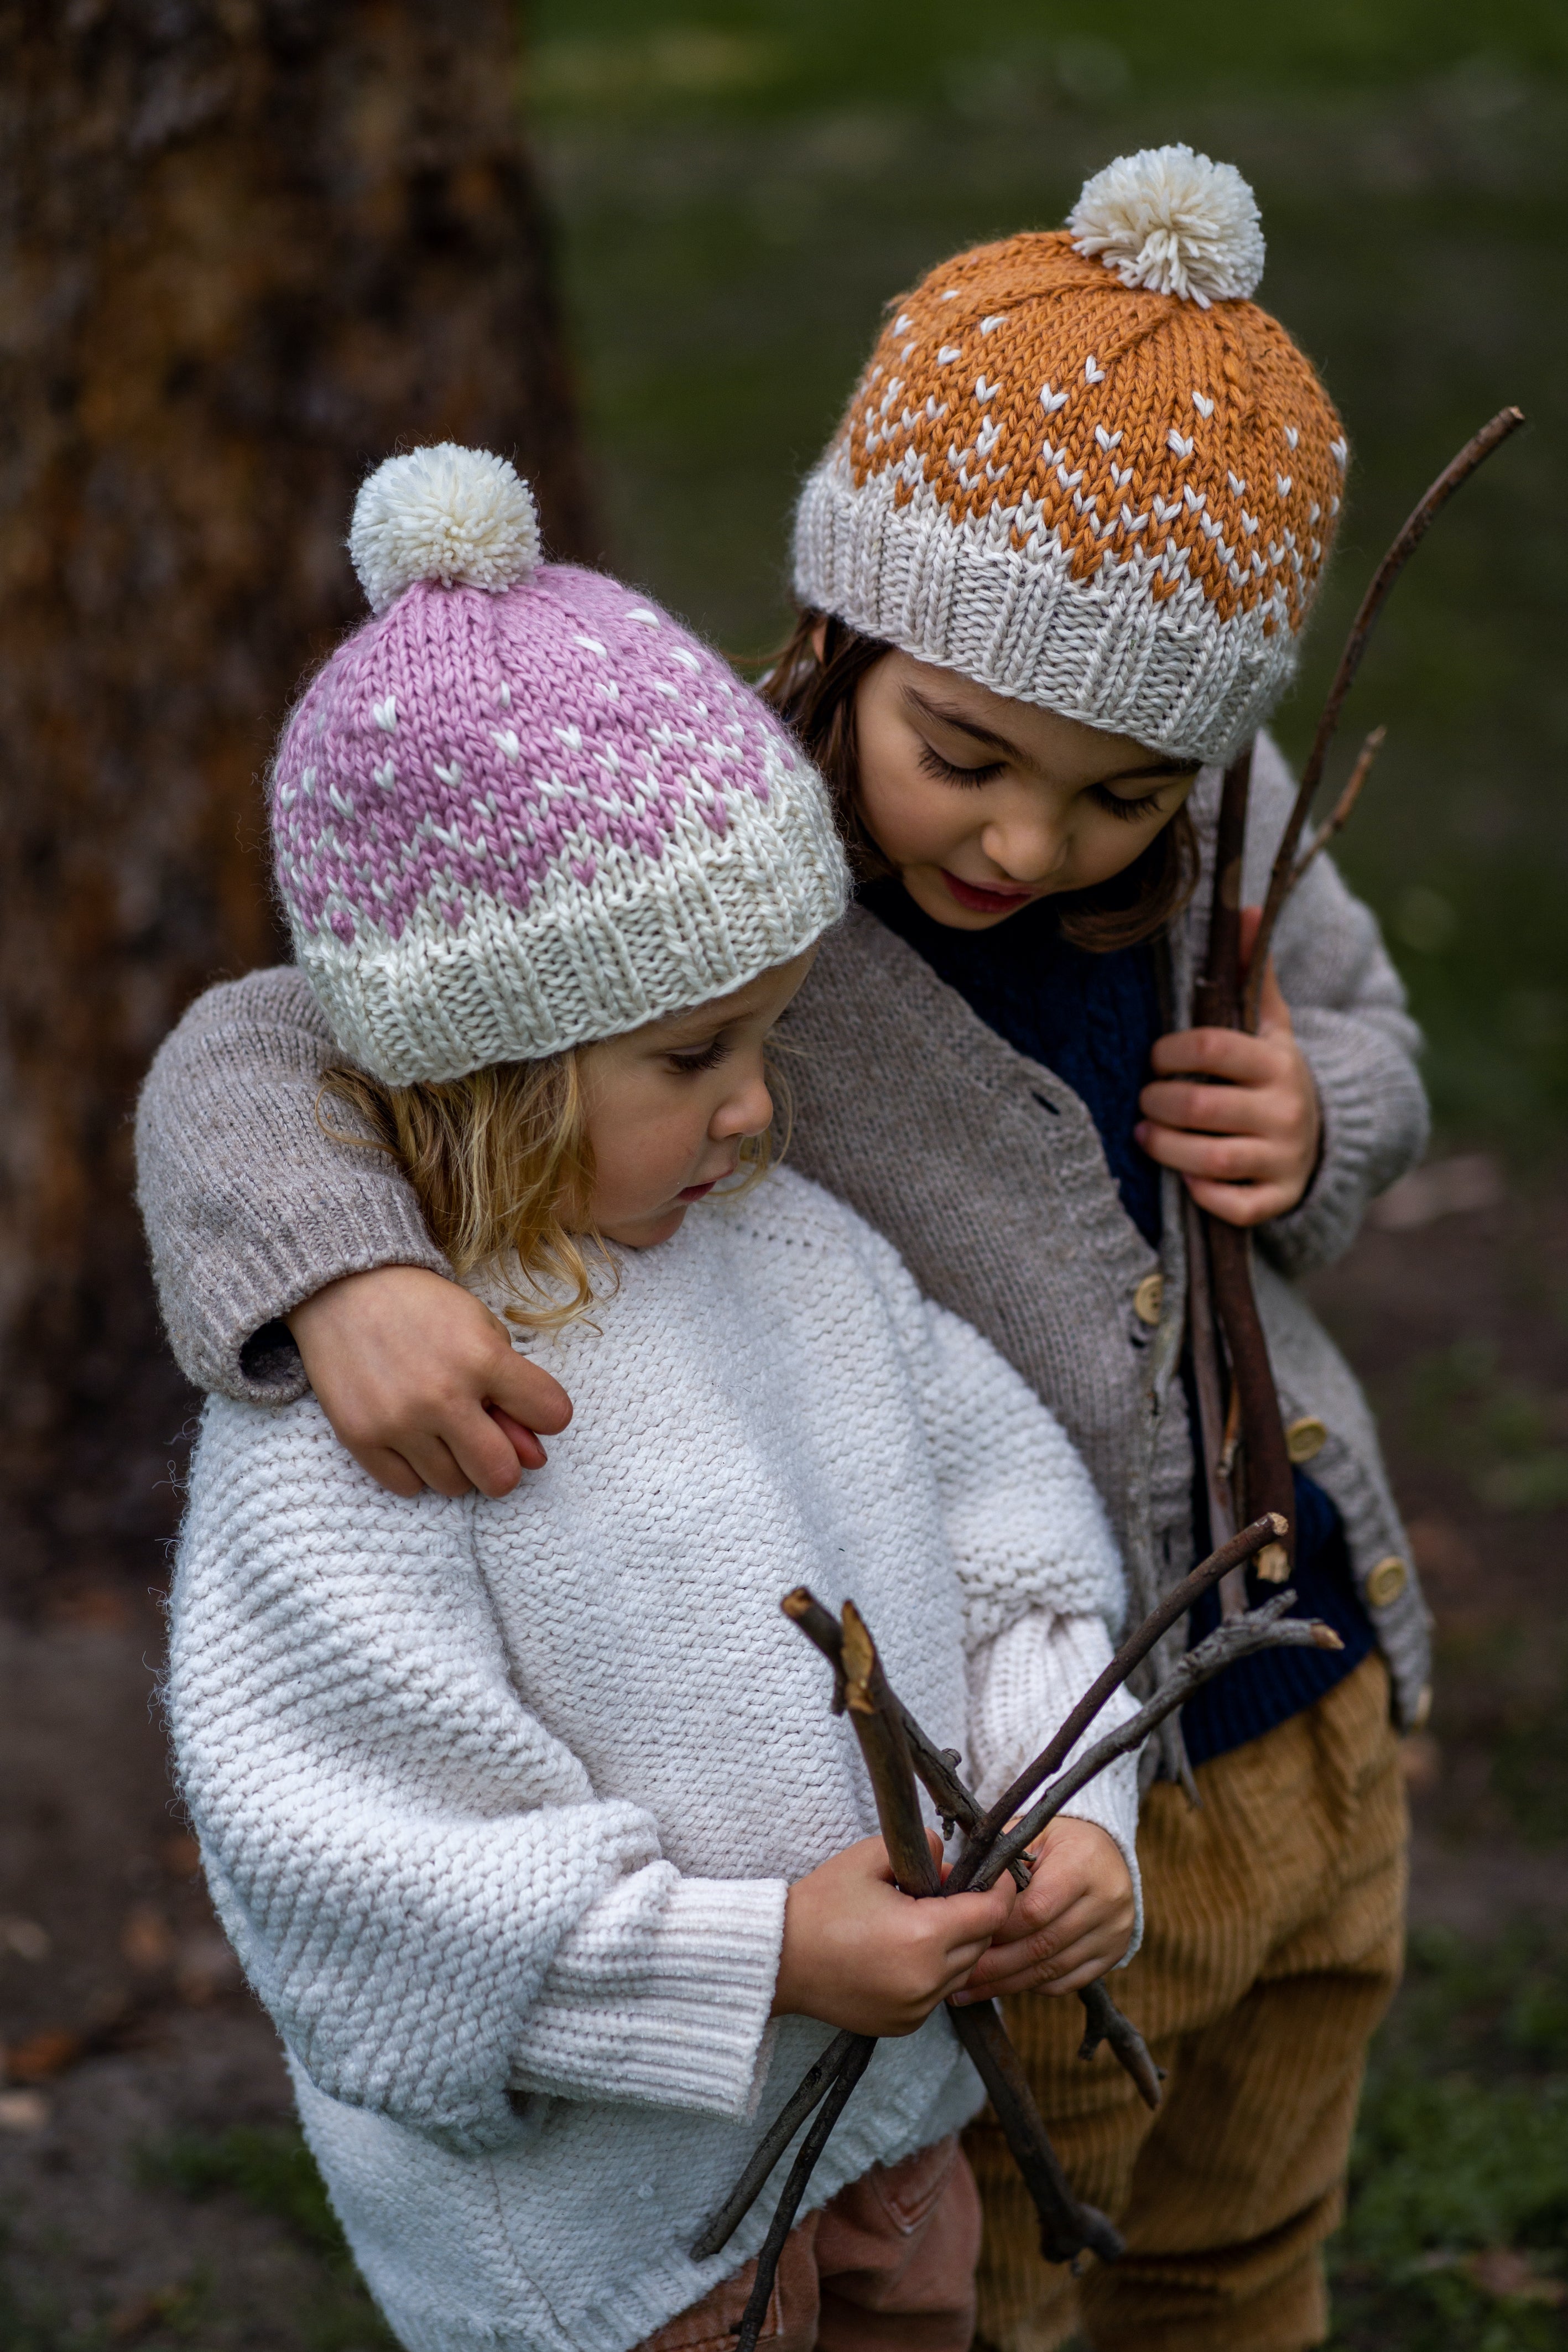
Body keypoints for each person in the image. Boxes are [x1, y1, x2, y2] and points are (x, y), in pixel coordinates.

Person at [140, 147, 1430, 2349]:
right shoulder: (698, 849)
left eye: (1122, 787)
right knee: (1024, 2259)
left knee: (1243, 2244)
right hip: (1036, 1774)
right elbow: (268, 1042)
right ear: (847, 626)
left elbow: (1374, 1024)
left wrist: (1331, 1115)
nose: (1037, 836)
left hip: (1302, 1666)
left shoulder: (1209, 802)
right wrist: (335, 1267)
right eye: (967, 753)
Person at [158, 444, 1143, 2352]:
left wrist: (1068, 1811)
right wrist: (763, 1956)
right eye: (697, 1052)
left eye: (770, 1033)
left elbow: (1019, 1560)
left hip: (890, 2119)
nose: (760, 1102)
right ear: (487, 1063)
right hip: (621, 2235)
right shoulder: (368, 1415)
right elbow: (352, 1873)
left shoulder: (803, 1261)